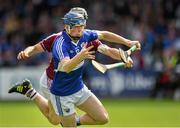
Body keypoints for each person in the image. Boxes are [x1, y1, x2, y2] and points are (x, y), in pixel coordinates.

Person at [8, 8, 141, 127]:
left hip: (76, 85)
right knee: (54, 120)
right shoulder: (58, 42)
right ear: (67, 26)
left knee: (101, 118)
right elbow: (63, 65)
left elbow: (107, 46)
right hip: (53, 82)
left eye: (82, 26)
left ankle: (72, 121)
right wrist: (27, 52)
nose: (80, 30)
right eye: (77, 26)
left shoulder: (86, 36)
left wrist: (125, 51)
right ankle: (30, 92)